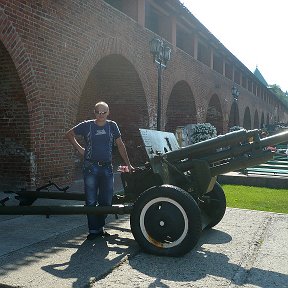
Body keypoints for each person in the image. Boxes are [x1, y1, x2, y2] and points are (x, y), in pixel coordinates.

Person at [66, 101, 134, 240]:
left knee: (107, 200)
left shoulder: (112, 126)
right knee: (91, 201)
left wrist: (128, 164)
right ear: (94, 113)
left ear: (108, 112)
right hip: (91, 167)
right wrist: (81, 150)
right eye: (98, 112)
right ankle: (94, 231)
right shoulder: (87, 126)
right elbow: (69, 134)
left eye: (104, 112)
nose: (101, 115)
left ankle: (99, 226)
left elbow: (120, 145)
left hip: (107, 167)